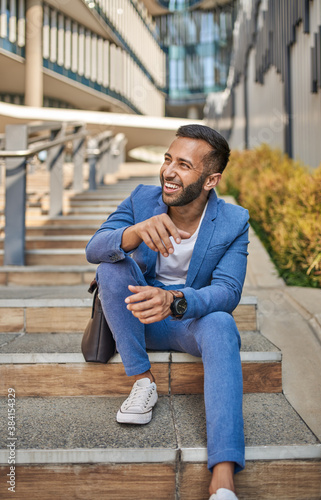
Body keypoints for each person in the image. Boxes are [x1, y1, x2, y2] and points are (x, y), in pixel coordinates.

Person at [86, 124, 249, 500]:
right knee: (110, 265)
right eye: (167, 159)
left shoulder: (233, 221)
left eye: (184, 165)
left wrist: (175, 300)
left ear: (211, 179)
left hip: (182, 320)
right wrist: (134, 233)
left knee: (222, 324)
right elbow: (95, 248)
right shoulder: (143, 199)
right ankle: (143, 381)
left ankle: (223, 478)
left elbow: (227, 291)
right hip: (133, 317)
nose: (168, 172)